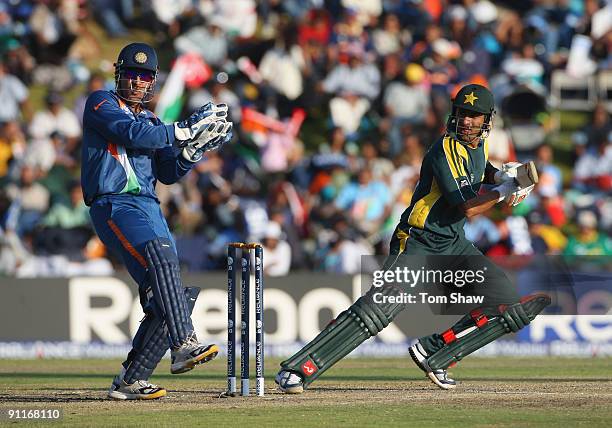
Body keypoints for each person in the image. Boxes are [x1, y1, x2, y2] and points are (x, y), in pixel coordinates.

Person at [275, 84, 549, 393]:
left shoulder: (479, 145)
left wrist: (500, 175)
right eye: (462, 114)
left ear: (487, 120)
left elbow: (477, 169)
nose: (467, 121)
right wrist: (504, 191)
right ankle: (298, 369)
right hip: (419, 241)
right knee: (379, 310)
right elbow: (468, 207)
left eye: (474, 116)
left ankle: (435, 352)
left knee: (505, 304)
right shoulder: (445, 148)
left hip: (452, 242)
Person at [81, 42, 232, 400]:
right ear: (119, 74)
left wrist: (192, 151)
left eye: (144, 77)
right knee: (162, 258)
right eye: (131, 74)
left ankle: (130, 382)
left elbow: (167, 172)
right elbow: (131, 135)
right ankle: (183, 343)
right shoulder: (101, 103)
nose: (136, 82)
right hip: (115, 203)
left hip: (149, 207)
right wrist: (181, 130)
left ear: (152, 82)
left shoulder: (151, 120)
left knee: (168, 295)